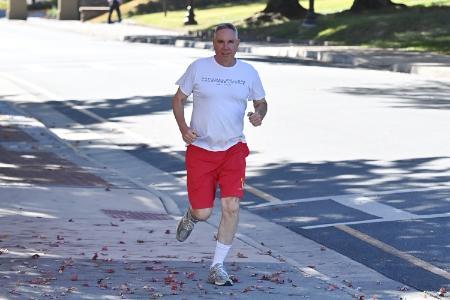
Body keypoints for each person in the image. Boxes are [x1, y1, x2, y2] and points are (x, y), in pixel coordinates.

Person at [172, 23, 268, 286]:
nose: (225, 47)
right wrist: (183, 129)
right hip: (201, 150)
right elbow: (178, 99)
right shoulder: (199, 68)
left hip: (233, 150)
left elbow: (261, 101)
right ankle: (192, 215)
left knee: (231, 206)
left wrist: (259, 113)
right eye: (220, 42)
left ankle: (217, 265)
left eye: (230, 42)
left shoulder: (248, 72)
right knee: (204, 213)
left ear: (238, 43)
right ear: (213, 43)